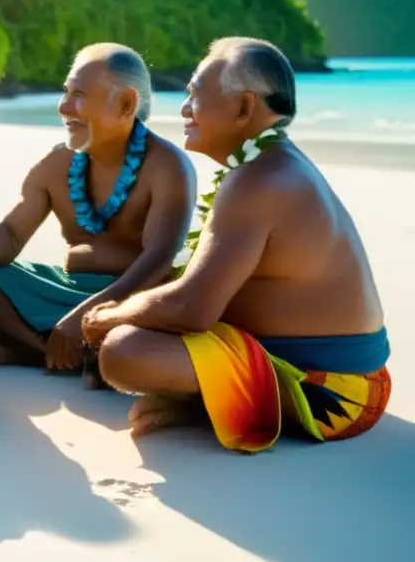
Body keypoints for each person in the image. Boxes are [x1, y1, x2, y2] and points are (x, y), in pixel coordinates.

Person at [82, 37, 391, 452]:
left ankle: (210, 404)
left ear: (244, 108)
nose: (184, 109)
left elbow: (192, 310)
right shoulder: (268, 165)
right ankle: (211, 395)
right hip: (318, 370)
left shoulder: (260, 179)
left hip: (336, 393)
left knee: (124, 351)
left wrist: (111, 315)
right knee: (132, 328)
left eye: (195, 96)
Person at [0, 43, 196, 371]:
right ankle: (47, 351)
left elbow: (158, 260)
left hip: (130, 300)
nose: (64, 107)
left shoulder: (167, 166)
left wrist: (85, 316)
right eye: (66, 92)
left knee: (144, 320)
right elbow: (13, 234)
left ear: (126, 103)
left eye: (79, 94)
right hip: (60, 290)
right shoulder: (57, 163)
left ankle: (45, 348)